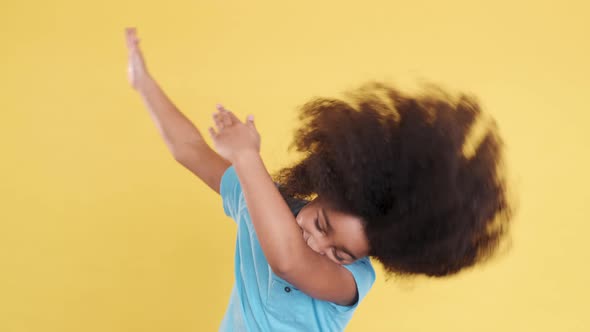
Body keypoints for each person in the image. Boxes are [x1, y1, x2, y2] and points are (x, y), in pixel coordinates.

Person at [125, 27, 513, 331]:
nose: (319, 244)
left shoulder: (351, 282)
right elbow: (189, 150)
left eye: (340, 252)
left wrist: (246, 157)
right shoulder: (260, 200)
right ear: (325, 187)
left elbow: (288, 261)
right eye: (322, 224)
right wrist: (143, 83)